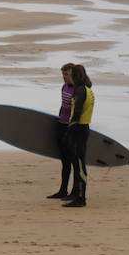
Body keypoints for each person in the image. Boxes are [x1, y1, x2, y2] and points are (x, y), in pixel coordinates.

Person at [60, 64, 95, 208]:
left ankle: (81, 199)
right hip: (83, 128)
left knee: (79, 165)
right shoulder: (88, 89)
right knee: (77, 163)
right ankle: (77, 195)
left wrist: (69, 131)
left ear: (76, 75)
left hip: (78, 130)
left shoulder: (80, 90)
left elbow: (77, 112)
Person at [48, 63, 77, 199]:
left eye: (66, 74)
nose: (64, 77)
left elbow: (78, 112)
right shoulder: (64, 87)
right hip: (61, 125)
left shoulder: (78, 90)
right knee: (64, 161)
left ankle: (75, 192)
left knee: (73, 161)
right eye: (63, 74)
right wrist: (59, 121)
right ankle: (63, 190)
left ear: (73, 75)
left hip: (71, 128)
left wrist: (72, 128)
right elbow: (63, 106)